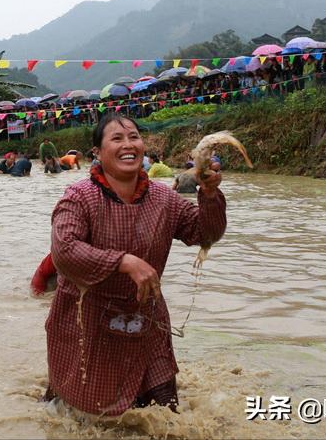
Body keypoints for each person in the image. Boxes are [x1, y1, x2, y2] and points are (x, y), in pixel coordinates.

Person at [43, 113, 226, 415]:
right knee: (84, 418)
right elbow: (64, 251)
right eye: (116, 138)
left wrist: (209, 194)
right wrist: (122, 262)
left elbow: (205, 233)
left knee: (165, 418)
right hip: (87, 321)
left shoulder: (163, 198)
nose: (128, 144)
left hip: (147, 320)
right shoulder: (79, 197)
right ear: (98, 153)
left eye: (133, 137)